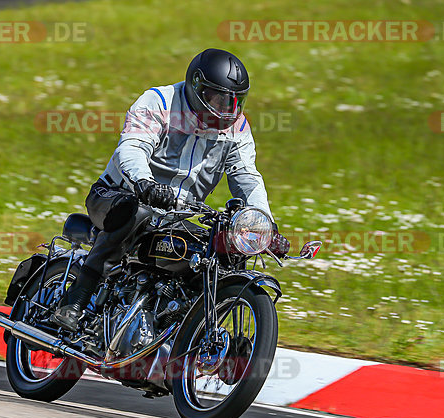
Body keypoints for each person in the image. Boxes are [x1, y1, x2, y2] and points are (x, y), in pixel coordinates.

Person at [52, 48, 290, 331]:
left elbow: (246, 176)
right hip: (118, 196)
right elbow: (132, 147)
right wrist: (144, 183)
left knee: (225, 246)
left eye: (236, 101)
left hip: (175, 215)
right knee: (136, 212)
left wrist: (265, 225)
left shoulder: (236, 127)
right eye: (221, 99)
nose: (229, 109)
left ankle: (182, 327)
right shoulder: (159, 102)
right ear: (198, 87)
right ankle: (76, 299)